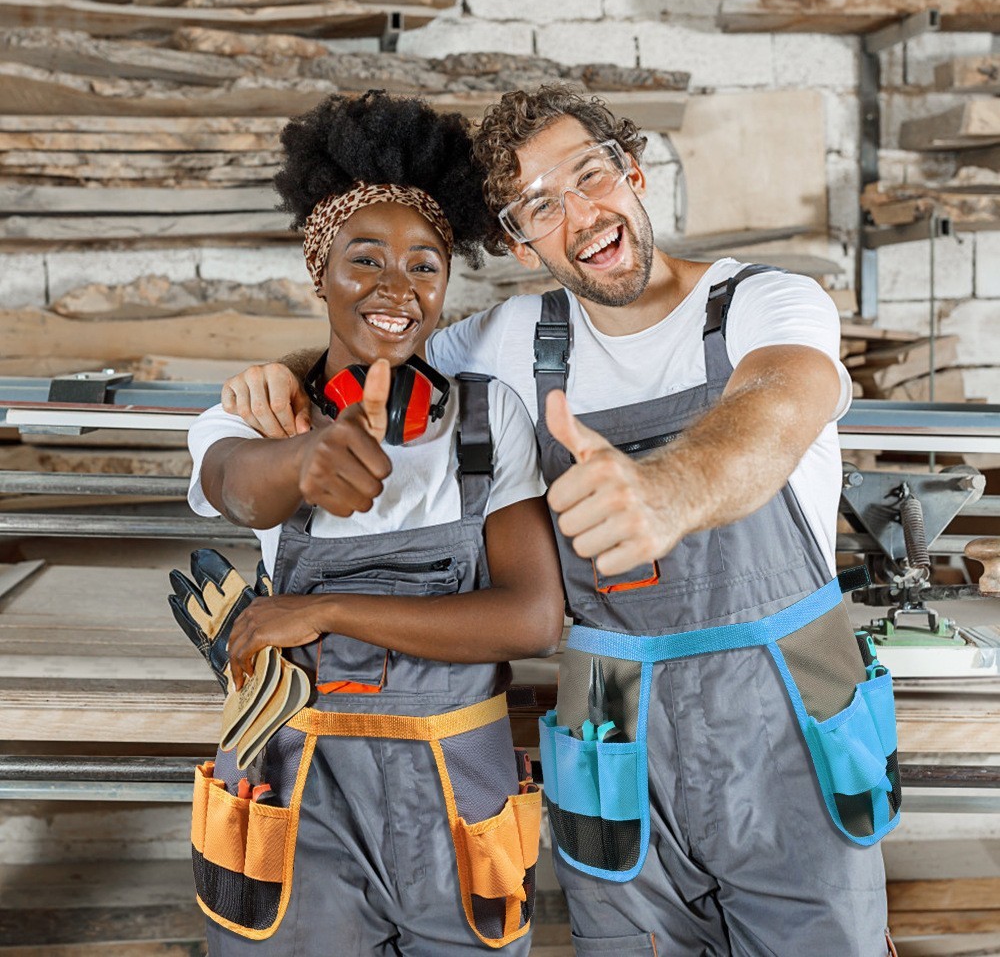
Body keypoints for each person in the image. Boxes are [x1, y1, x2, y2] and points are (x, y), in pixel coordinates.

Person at [221, 84, 900, 957]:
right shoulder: (513, 339)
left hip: (791, 717)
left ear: (636, 175)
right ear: (518, 239)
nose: (579, 214)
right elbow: (384, 333)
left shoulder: (769, 303)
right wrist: (276, 373)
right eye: (540, 204)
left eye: (591, 176)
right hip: (612, 718)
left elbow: (777, 407)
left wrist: (671, 491)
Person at [185, 91, 564, 956]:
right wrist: (305, 461)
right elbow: (241, 489)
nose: (398, 288)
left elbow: (532, 617)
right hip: (296, 790)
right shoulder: (255, 418)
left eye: (425, 265)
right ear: (319, 273)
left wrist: (326, 611)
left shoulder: (487, 419)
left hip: (458, 798)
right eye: (366, 260)